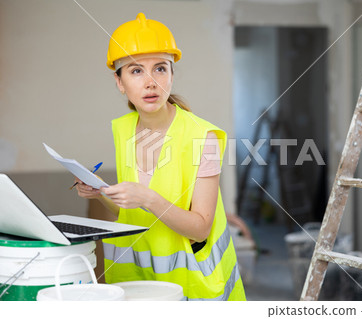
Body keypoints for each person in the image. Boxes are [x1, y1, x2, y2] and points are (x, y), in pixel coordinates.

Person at [75, 12, 246, 301]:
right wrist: (101, 195)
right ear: (120, 82)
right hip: (137, 283)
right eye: (136, 71)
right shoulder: (123, 128)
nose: (151, 82)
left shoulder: (202, 137)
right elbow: (134, 214)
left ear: (172, 74)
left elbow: (201, 228)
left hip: (193, 287)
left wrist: (146, 198)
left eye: (160, 68)